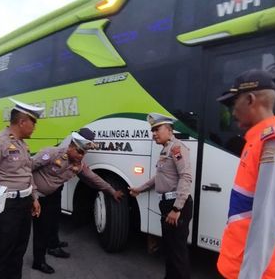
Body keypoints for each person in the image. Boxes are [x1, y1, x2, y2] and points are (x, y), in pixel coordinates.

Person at [216, 69, 275, 279]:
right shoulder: (259, 140)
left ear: (250, 99)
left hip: (266, 273)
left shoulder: (272, 142)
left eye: (233, 104)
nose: (232, 112)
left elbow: (266, 220)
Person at [31, 128, 124, 274]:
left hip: (52, 195)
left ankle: (53, 246)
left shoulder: (78, 165)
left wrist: (112, 191)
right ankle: (38, 262)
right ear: (71, 147)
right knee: (40, 230)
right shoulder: (51, 153)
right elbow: (27, 169)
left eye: (84, 153)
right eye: (79, 152)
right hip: (36, 197)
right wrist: (32, 194)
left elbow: (94, 179)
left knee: (52, 222)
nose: (82, 156)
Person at [0, 98, 43, 279]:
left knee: (18, 252)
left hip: (24, 205)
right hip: (5, 208)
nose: (35, 127)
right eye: (33, 123)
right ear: (22, 122)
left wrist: (34, 198)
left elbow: (27, 173)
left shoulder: (22, 144)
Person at [129, 113, 193, 279]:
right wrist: (139, 189)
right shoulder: (166, 150)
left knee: (178, 252)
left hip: (176, 206)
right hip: (167, 205)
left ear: (169, 130)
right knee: (169, 249)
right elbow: (158, 179)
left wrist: (177, 208)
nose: (154, 134)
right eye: (152, 131)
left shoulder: (177, 148)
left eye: (157, 129)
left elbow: (186, 176)